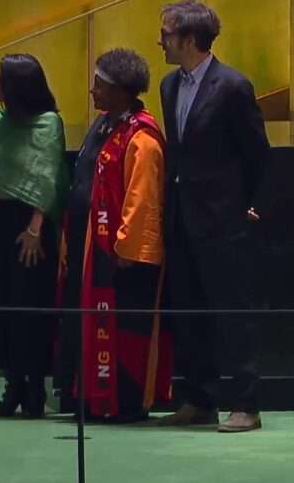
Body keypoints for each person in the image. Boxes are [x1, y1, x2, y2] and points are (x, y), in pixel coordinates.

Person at [156, 0, 269, 432]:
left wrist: (251, 204)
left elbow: (257, 153)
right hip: (182, 218)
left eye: (166, 33)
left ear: (188, 39)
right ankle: (198, 400)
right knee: (188, 312)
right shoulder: (168, 86)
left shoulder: (233, 86)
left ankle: (246, 405)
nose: (160, 41)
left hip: (223, 220)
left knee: (231, 315)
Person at [56, 48, 171, 422]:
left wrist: (125, 247)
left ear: (122, 90)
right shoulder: (104, 124)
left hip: (122, 255)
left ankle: (122, 403)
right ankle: (92, 398)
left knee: (125, 333)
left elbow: (143, 197)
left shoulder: (143, 137)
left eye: (99, 86)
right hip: (92, 246)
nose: (92, 92)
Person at [0, 54, 67, 418]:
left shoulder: (48, 124)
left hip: (32, 224)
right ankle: (13, 387)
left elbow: (48, 177)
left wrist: (35, 229)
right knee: (2, 303)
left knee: (30, 306)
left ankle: (35, 388)